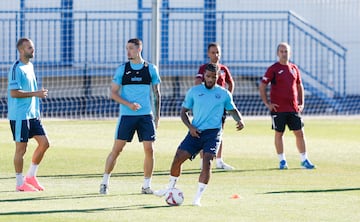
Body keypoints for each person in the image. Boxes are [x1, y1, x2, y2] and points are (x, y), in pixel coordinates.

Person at [154, 63, 244, 206]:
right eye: (208, 76)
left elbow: (232, 109)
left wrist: (239, 120)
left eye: (213, 77)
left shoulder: (223, 93)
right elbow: (183, 112)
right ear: (203, 76)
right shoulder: (194, 92)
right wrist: (190, 127)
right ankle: (170, 188)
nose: (210, 79)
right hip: (195, 132)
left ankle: (197, 198)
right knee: (178, 159)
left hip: (213, 134)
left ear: (217, 77)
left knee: (207, 162)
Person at [99, 38, 161, 195]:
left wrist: (157, 116)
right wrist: (129, 105)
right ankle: (104, 182)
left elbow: (156, 93)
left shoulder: (151, 69)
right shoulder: (122, 70)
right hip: (127, 116)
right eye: (127, 48)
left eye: (131, 48)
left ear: (139, 49)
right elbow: (113, 93)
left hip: (146, 116)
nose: (128, 51)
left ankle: (146, 185)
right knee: (117, 150)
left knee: (150, 149)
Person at [259, 42, 315, 170]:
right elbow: (262, 86)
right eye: (282, 51)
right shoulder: (273, 69)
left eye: (286, 51)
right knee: (279, 133)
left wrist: (301, 103)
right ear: (277, 53)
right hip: (278, 109)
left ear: (290, 53)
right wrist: (267, 103)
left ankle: (304, 159)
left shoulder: (294, 68)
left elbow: (299, 85)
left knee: (299, 133)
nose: (284, 54)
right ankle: (282, 161)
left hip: (293, 108)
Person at [7, 38, 50, 192]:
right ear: (21, 50)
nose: (33, 50)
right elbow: (14, 92)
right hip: (19, 116)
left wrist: (36, 108)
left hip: (32, 114)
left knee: (45, 143)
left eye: (33, 47)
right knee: (21, 149)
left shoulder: (30, 66)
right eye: (30, 48)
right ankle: (20, 184)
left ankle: (31, 176)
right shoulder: (16, 69)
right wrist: (36, 94)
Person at [195, 42, 235, 170]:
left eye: (217, 52)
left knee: (219, 132)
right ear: (208, 54)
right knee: (203, 132)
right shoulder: (203, 68)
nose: (216, 55)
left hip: (220, 108)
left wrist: (227, 99)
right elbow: (197, 83)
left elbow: (230, 83)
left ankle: (219, 160)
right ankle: (203, 160)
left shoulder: (223, 69)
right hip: (206, 108)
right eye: (213, 52)